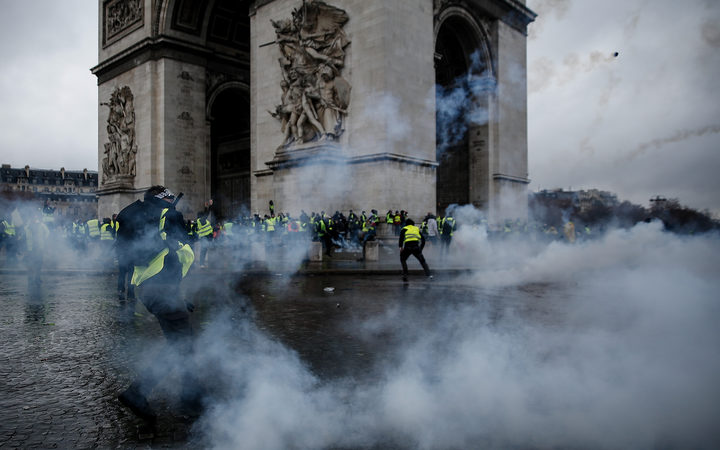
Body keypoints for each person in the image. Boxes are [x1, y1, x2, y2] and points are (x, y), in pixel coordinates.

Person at [116, 185, 199, 423]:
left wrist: (179, 296)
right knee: (181, 344)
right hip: (163, 291)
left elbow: (159, 260)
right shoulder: (169, 217)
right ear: (166, 199)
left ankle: (192, 397)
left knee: (184, 343)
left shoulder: (141, 215)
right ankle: (138, 393)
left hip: (152, 289)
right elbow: (181, 249)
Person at [398, 218, 431, 282]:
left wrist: (400, 247)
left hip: (407, 247)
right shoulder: (417, 229)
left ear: (406, 224)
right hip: (416, 247)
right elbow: (423, 240)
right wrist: (420, 248)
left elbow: (401, 239)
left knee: (403, 259)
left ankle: (405, 274)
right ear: (413, 224)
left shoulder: (404, 229)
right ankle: (429, 275)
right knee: (423, 261)